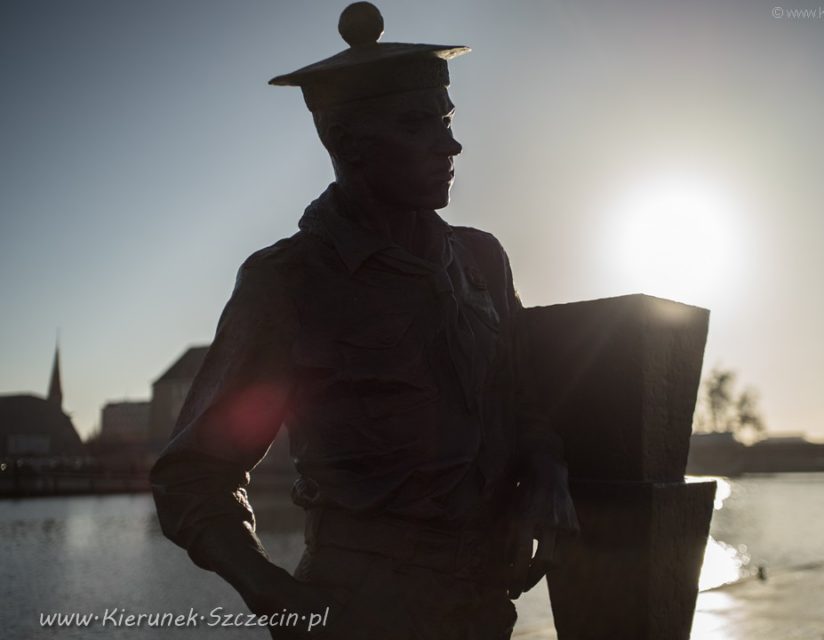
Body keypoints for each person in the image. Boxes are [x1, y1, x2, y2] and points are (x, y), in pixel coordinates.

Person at [149, 3, 579, 638]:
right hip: (359, 609)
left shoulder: (483, 258)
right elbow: (193, 478)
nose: (451, 143)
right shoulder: (289, 282)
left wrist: (546, 471)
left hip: (485, 606)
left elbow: (522, 398)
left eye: (447, 118)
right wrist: (277, 598)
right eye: (417, 124)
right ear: (347, 142)